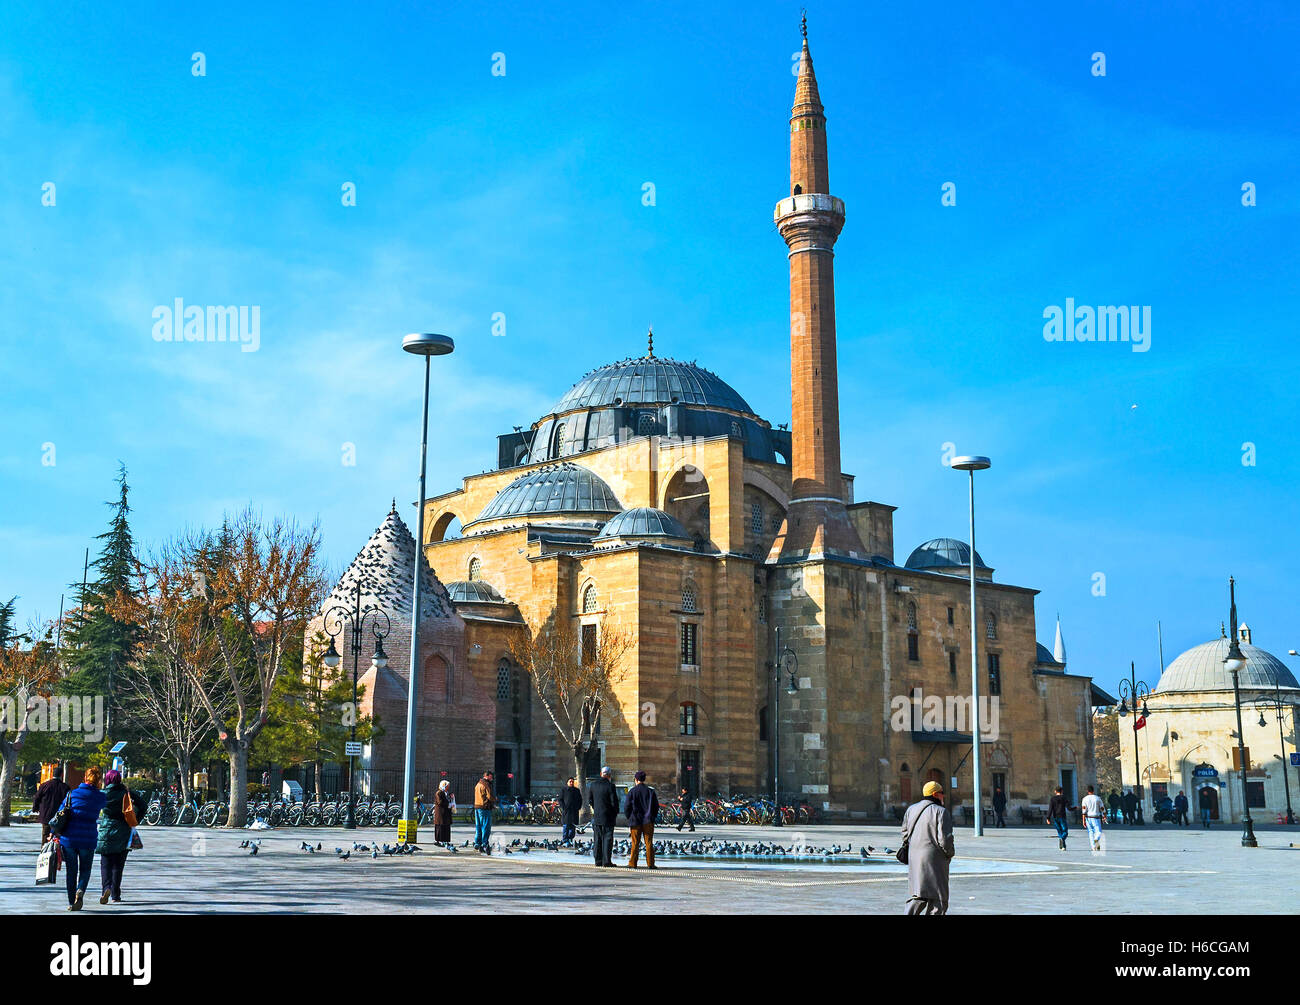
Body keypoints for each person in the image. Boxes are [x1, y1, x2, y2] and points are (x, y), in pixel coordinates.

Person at [901, 780, 955, 915]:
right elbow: (945, 839)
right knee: (938, 898)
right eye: (942, 794)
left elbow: (904, 833)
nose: (943, 797)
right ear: (936, 794)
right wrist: (949, 854)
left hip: (915, 858)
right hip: (934, 859)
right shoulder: (941, 812)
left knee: (918, 894)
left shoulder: (911, 809)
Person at [58, 765, 107, 911]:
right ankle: (80, 890)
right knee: (85, 869)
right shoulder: (100, 797)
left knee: (71, 871)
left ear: (85, 778)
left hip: (69, 839)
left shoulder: (72, 794)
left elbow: (61, 812)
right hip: (88, 838)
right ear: (98, 780)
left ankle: (71, 902)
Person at [95, 769, 137, 904]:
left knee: (105, 863)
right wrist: (135, 819)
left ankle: (105, 888)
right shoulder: (126, 793)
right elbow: (142, 805)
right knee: (118, 865)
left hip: (106, 829)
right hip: (123, 830)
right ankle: (115, 895)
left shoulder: (102, 794)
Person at [624, 770, 659, 869]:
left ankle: (633, 863)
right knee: (649, 842)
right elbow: (656, 806)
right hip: (648, 820)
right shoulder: (650, 791)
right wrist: (652, 817)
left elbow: (627, 806)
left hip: (635, 820)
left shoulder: (632, 791)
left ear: (636, 779)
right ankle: (650, 863)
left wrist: (629, 817)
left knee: (635, 842)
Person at [586, 766, 619, 867]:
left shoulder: (593, 785)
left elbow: (590, 800)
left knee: (597, 839)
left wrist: (597, 809)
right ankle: (606, 861)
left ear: (601, 774)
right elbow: (614, 802)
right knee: (607, 839)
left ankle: (598, 860)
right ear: (609, 775)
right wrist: (614, 813)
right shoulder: (610, 786)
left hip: (597, 817)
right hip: (608, 817)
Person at [33, 765, 70, 845]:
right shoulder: (65, 787)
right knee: (58, 835)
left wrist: (35, 808)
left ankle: (44, 851)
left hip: (46, 814)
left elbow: (37, 797)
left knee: (45, 834)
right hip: (59, 816)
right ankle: (57, 853)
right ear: (61, 775)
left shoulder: (45, 785)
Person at [473, 771, 496, 853]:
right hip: (484, 808)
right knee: (486, 827)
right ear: (486, 776)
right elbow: (489, 796)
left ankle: (477, 843)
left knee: (478, 826)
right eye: (490, 777)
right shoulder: (486, 784)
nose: (492, 778)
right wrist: (495, 799)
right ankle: (485, 843)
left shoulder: (478, 784)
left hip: (477, 806)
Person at [1081, 784, 1105, 852]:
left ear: (1087, 791)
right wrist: (1104, 816)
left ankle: (1093, 847)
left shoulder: (1084, 799)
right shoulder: (1097, 798)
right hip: (1096, 817)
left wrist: (1083, 820)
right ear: (1093, 790)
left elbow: (1084, 811)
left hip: (1088, 818)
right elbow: (1102, 808)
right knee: (1098, 832)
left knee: (1090, 832)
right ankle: (1096, 839)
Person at [1047, 785, 1072, 851]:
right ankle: (1062, 839)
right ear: (1062, 791)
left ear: (1055, 791)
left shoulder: (1052, 799)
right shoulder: (1064, 798)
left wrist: (1048, 818)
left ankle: (1062, 846)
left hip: (1055, 817)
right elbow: (1069, 808)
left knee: (1060, 832)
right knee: (1065, 831)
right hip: (1062, 817)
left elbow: (1050, 809)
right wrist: (1075, 808)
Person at [558, 777, 582, 844]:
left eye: (572, 782)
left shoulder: (577, 790)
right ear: (567, 782)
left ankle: (570, 838)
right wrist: (564, 807)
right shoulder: (564, 790)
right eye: (570, 781)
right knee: (566, 826)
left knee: (573, 826)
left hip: (574, 811)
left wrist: (578, 807)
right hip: (567, 811)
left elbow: (580, 800)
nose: (571, 783)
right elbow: (560, 799)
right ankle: (565, 839)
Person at [432, 780, 453, 844]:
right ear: (443, 786)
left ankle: (445, 840)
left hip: (446, 813)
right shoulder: (439, 793)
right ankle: (439, 840)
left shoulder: (446, 793)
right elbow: (440, 802)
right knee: (440, 827)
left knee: (446, 827)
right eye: (447, 786)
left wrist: (451, 800)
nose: (448, 788)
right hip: (440, 813)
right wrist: (448, 803)